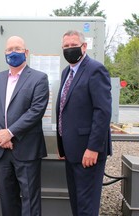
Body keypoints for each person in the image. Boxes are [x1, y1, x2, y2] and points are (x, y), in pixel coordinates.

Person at [0, 36, 49, 216]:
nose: (13, 52)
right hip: (2, 150)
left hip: (26, 149)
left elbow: (36, 111)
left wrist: (10, 133)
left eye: (18, 48)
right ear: (4, 53)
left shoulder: (39, 78)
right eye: (9, 49)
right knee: (7, 199)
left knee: (30, 200)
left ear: (26, 52)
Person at [56, 30, 112, 216]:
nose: (69, 49)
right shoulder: (67, 72)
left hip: (89, 152)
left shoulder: (95, 69)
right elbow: (65, 109)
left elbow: (102, 112)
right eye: (66, 46)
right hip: (72, 152)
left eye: (73, 45)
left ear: (84, 46)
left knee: (86, 206)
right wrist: (63, 146)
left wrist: (93, 148)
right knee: (77, 203)